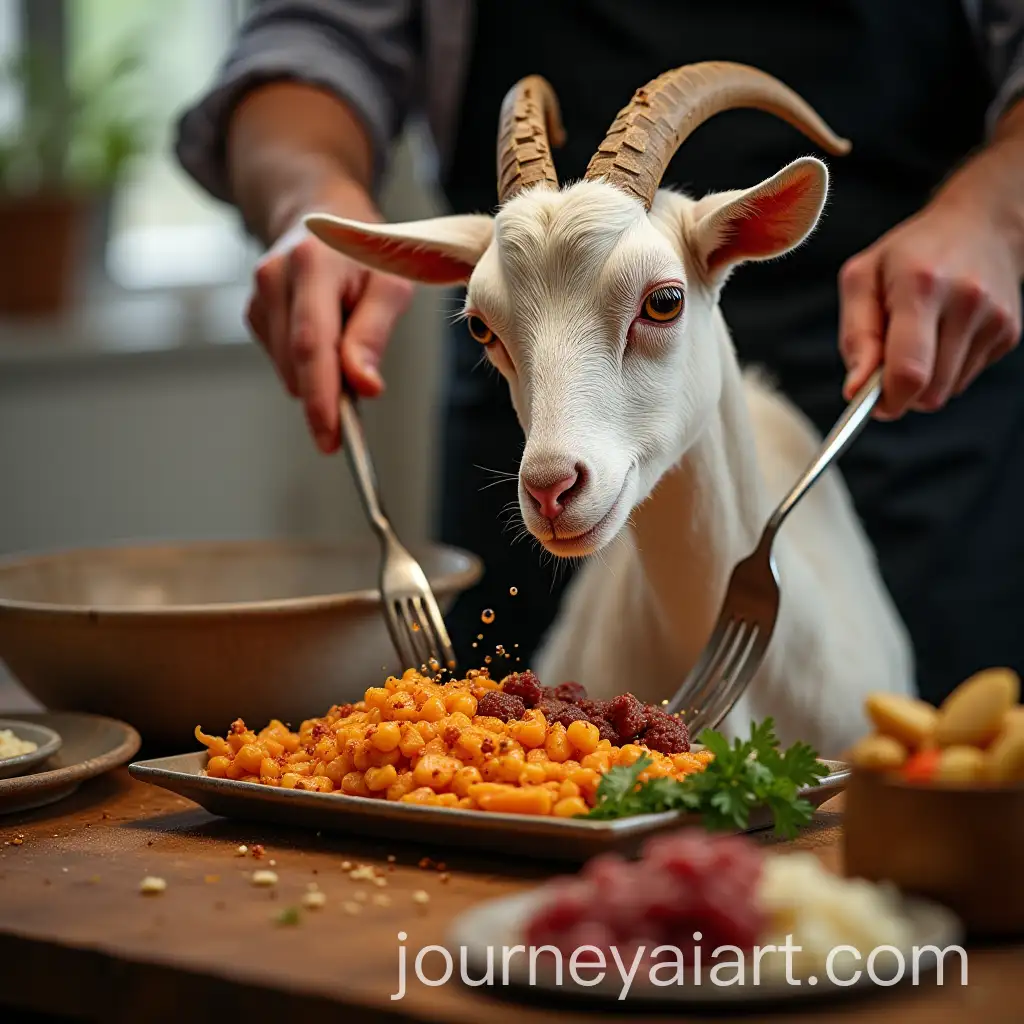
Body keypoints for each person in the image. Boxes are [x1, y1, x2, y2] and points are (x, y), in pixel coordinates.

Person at [176, 1, 1024, 706]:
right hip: (543, 478)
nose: (542, 479)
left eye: (657, 302)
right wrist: (307, 194)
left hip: (911, 403)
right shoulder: (550, 459)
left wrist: (996, 212)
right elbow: (311, 34)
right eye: (480, 327)